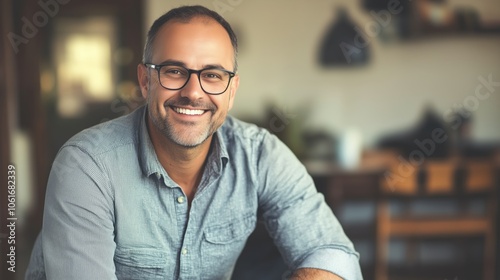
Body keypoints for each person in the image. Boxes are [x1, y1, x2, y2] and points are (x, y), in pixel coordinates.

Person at [26, 5, 362, 279]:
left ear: (231, 91)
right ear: (146, 81)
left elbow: (334, 254)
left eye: (213, 75)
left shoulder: (260, 154)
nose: (193, 91)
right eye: (174, 71)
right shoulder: (87, 165)